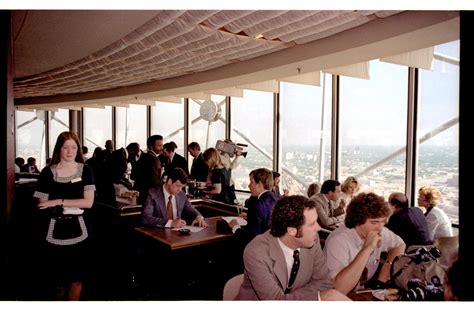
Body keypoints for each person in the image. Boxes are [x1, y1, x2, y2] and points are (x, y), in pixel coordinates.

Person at [236, 195, 349, 300]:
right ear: (292, 231)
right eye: (312, 224)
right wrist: (319, 298)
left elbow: (324, 282)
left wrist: (288, 299)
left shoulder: (312, 241)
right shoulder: (256, 251)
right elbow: (274, 303)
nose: (318, 228)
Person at [33, 131, 95, 300]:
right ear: (58, 149)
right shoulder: (47, 172)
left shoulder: (86, 170)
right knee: (56, 281)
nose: (70, 151)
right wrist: (63, 203)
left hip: (81, 231)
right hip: (53, 231)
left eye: (74, 147)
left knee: (77, 279)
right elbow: (41, 204)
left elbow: (88, 202)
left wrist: (58, 201)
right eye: (65, 147)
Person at [323, 192, 405, 295]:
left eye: (383, 221)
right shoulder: (338, 240)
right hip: (331, 295)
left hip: (361, 291)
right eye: (374, 222)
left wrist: (387, 266)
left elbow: (400, 245)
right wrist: (366, 249)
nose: (380, 227)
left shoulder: (380, 231)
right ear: (357, 221)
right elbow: (340, 289)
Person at [141, 168, 207, 228]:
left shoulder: (182, 195)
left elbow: (191, 209)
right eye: (178, 186)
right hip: (157, 234)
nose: (180, 190)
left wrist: (199, 217)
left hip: (177, 235)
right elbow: (146, 218)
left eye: (182, 187)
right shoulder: (152, 194)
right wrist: (171, 223)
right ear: (169, 181)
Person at [228, 168, 280, 243]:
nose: (249, 186)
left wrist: (235, 227)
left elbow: (251, 238)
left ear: (259, 183)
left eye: (251, 182)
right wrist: (251, 217)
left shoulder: (255, 205)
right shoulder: (279, 199)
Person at [131, 135, 163, 204]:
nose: (162, 148)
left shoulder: (142, 157)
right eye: (159, 146)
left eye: (162, 145)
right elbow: (155, 181)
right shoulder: (155, 160)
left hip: (140, 193)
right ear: (151, 147)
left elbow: (133, 175)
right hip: (150, 195)